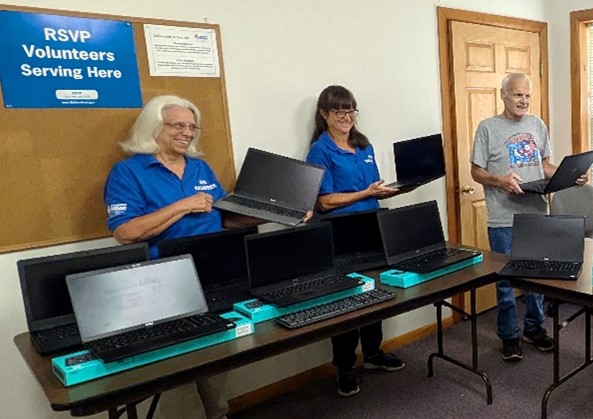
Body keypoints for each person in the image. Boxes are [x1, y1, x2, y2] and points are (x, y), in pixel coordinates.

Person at [104, 95, 266, 418]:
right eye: (178, 125)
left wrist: (276, 215)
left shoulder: (199, 167)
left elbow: (226, 216)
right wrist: (183, 205)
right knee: (182, 365)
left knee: (219, 355)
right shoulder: (128, 172)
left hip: (216, 272)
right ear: (154, 127)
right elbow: (125, 232)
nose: (187, 132)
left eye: (192, 126)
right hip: (165, 284)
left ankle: (216, 413)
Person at [471, 73, 585, 362]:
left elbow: (543, 165)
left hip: (536, 213)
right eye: (517, 94)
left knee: (537, 277)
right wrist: (500, 180)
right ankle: (509, 336)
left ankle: (535, 328)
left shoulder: (537, 125)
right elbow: (476, 171)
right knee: (507, 282)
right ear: (504, 95)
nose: (523, 100)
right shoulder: (488, 128)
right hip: (504, 219)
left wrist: (569, 176)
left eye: (527, 96)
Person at [305, 85, 404, 397]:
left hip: (371, 228)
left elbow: (372, 186)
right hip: (340, 234)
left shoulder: (364, 145)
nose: (347, 117)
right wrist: (367, 193)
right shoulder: (319, 151)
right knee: (347, 301)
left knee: (376, 292)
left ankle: (373, 353)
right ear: (324, 114)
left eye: (351, 111)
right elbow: (324, 202)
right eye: (339, 112)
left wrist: (389, 190)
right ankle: (345, 367)